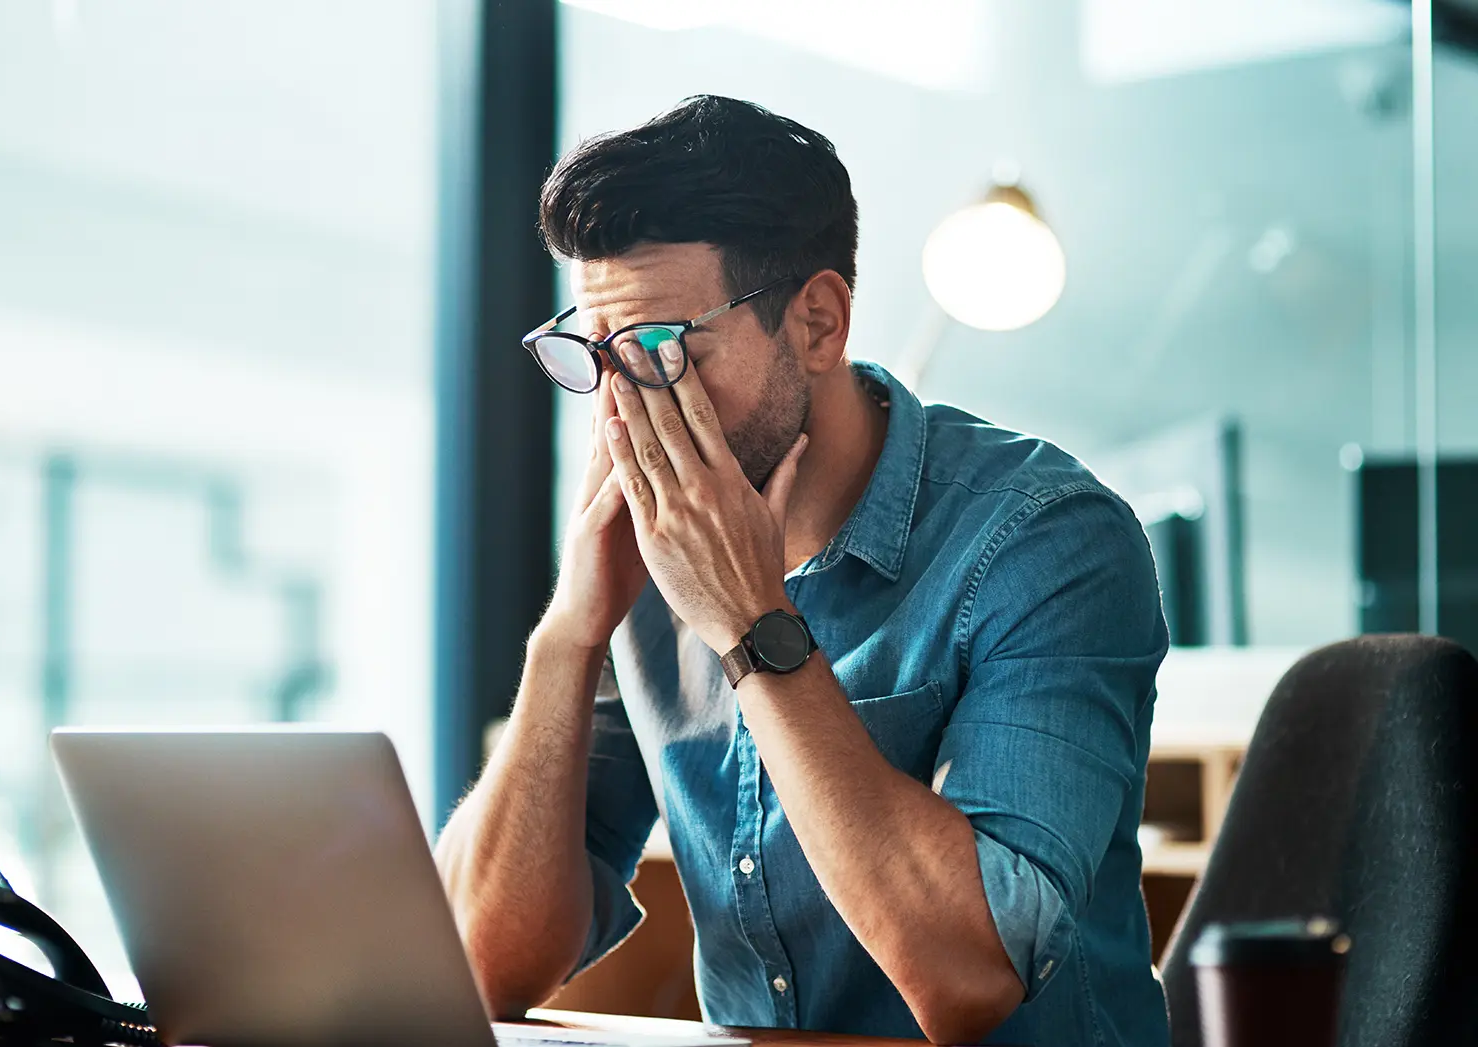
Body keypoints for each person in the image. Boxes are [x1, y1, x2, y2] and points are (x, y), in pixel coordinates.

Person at [434, 95, 1170, 1047]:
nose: (626, 410)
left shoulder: (1048, 539)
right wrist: (570, 629)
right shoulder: (646, 561)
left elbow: (973, 975)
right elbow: (480, 964)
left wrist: (750, 622)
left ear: (818, 323)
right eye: (597, 355)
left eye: (660, 351)